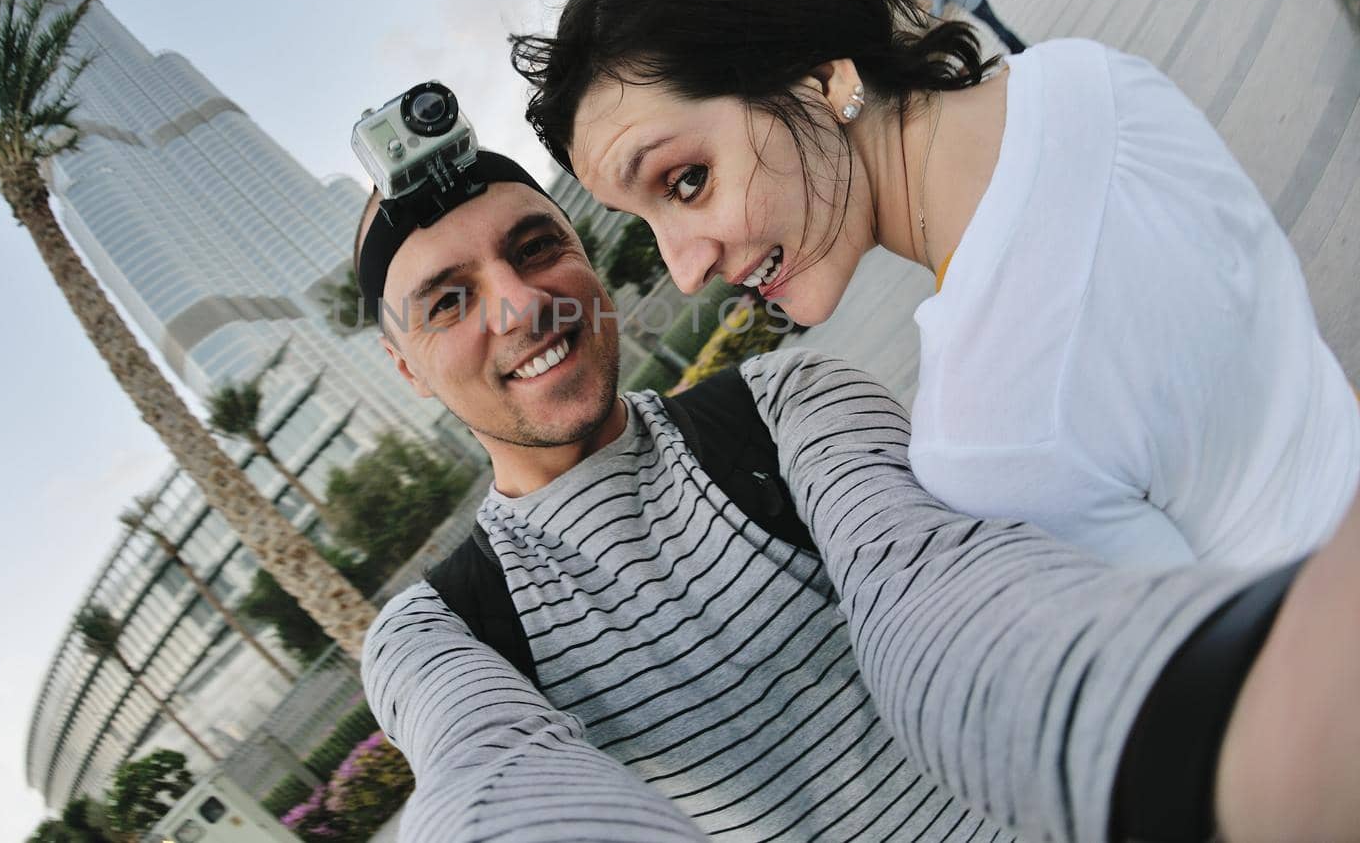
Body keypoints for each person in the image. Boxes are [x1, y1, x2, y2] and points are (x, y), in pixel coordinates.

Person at [355, 149, 1360, 842]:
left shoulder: (788, 401)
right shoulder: (435, 634)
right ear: (406, 366)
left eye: (535, 247)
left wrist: (1229, 713)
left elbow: (924, 583)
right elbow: (487, 777)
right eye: (451, 298)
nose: (524, 303)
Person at [510, 0, 1360, 570]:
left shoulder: (988, 431)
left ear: (823, 75)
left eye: (686, 181)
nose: (686, 271)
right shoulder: (1084, 77)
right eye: (651, 224)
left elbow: (1231, 708)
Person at [909, 0, 1027, 53]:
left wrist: (926, 16)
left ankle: (1019, 50)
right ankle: (1017, 48)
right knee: (997, 26)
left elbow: (938, 10)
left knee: (998, 28)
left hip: (974, 5)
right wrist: (930, 6)